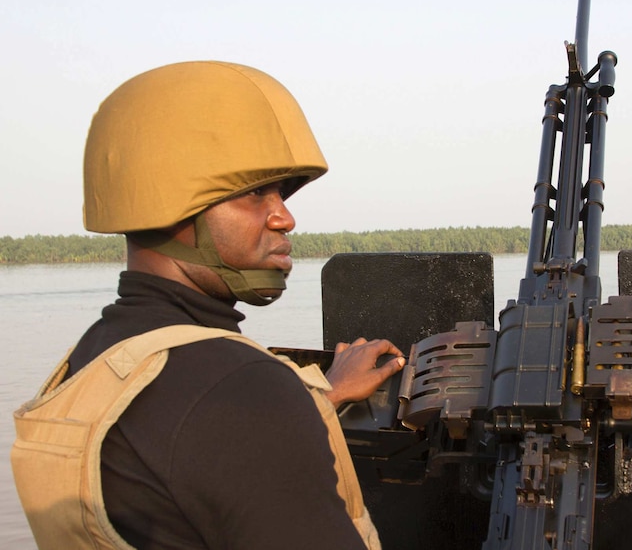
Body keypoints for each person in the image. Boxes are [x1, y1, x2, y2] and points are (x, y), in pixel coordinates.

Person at [11, 61, 405, 550]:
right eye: (254, 194)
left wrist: (327, 395)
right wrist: (276, 404)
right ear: (169, 206)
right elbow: (224, 422)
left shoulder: (97, 356)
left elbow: (183, 450)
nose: (285, 217)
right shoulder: (239, 390)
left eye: (280, 192)